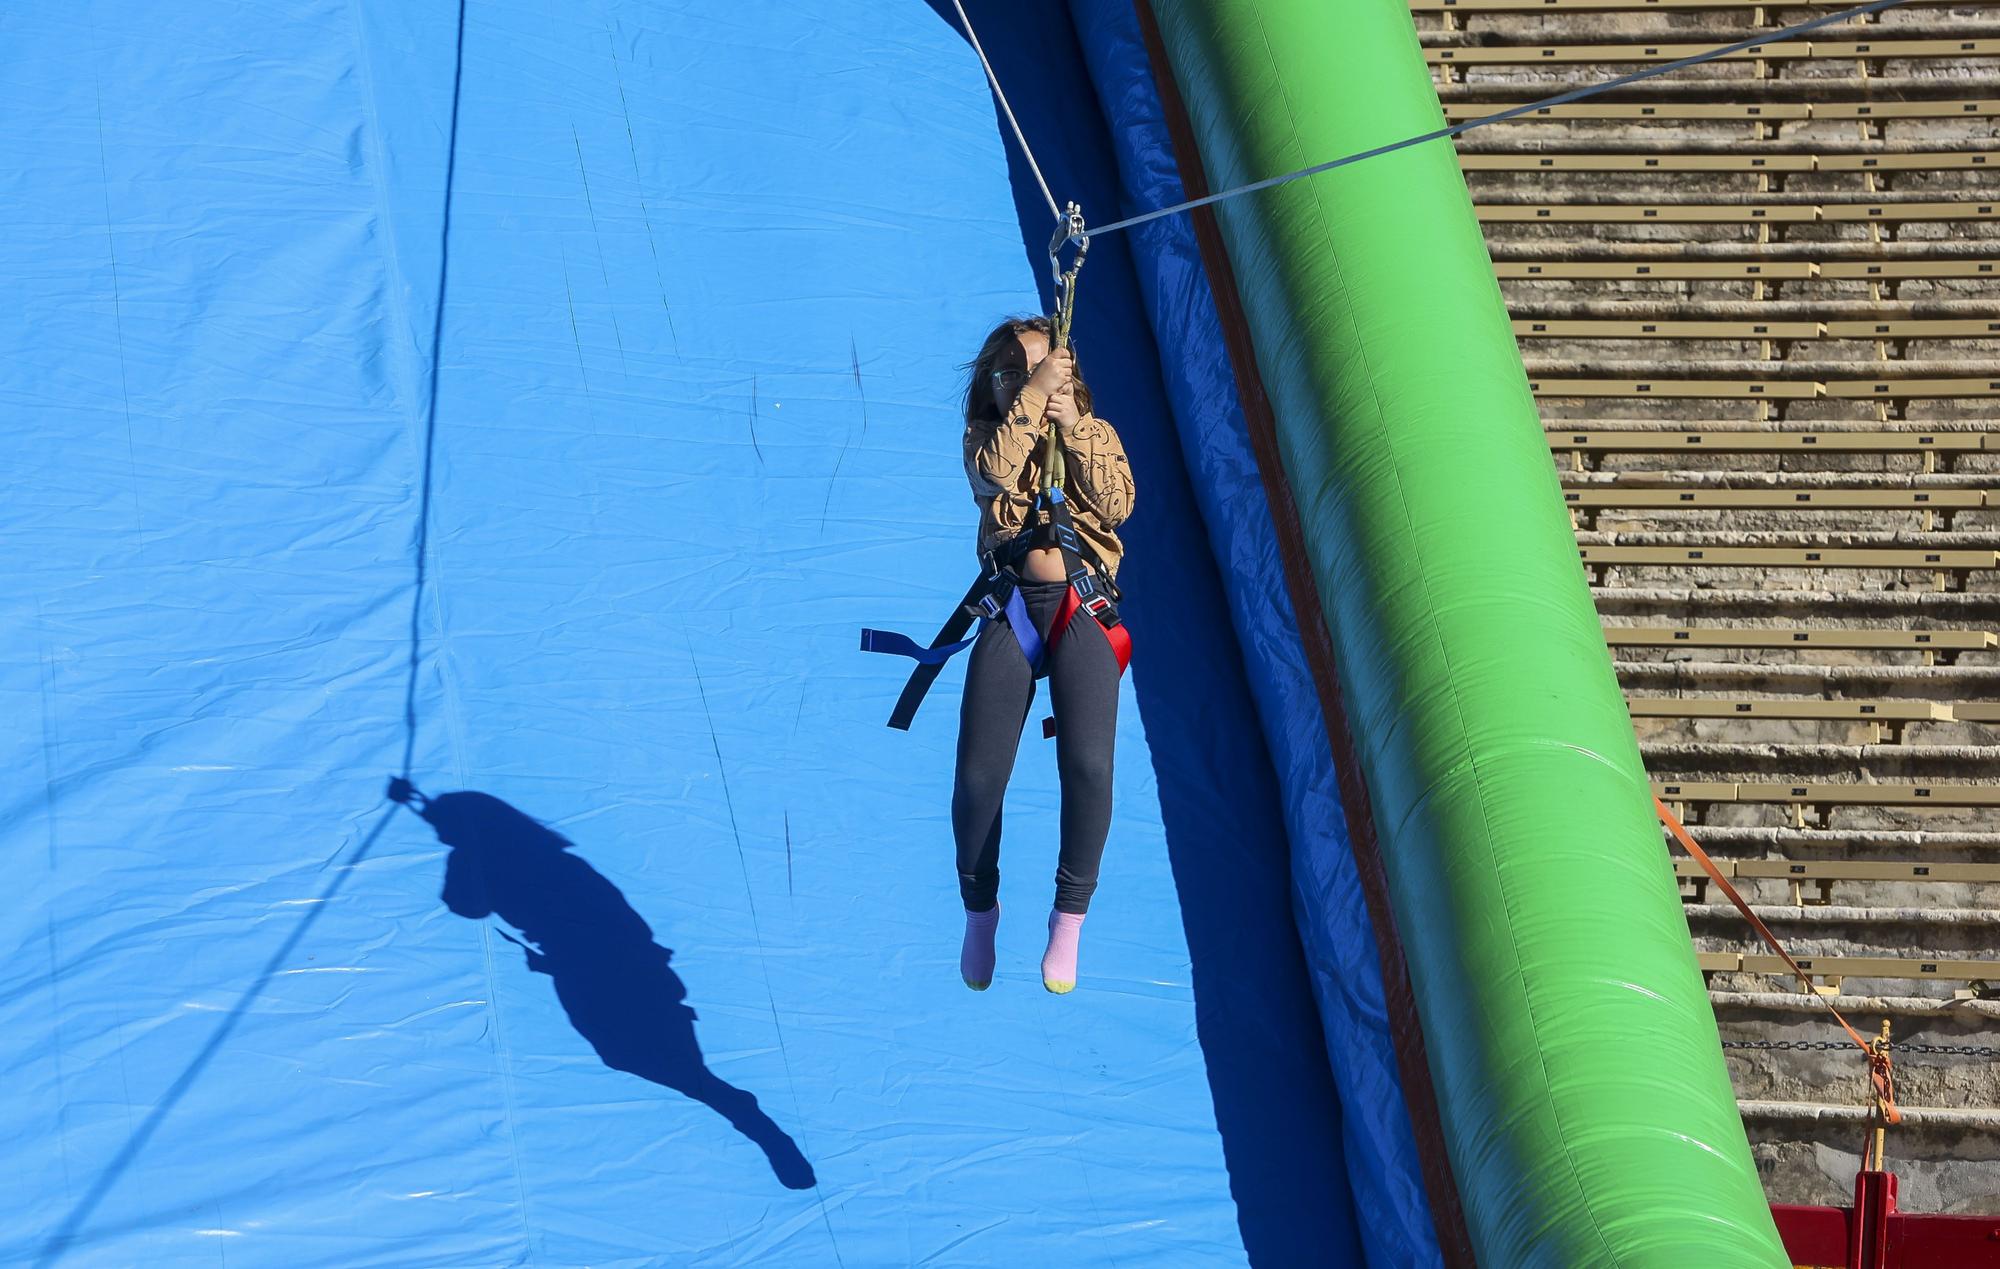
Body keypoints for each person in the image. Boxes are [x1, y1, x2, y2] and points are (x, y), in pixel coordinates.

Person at [953, 316, 1135, 994]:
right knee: (979, 777)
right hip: (1012, 604)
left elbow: (1117, 504)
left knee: (1087, 763)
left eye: (1035, 369)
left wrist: (1074, 424)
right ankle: (980, 908)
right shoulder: (985, 439)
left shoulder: (1092, 431)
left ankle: (1069, 915)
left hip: (1079, 604)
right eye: (1008, 375)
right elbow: (997, 473)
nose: (1021, 383)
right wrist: (1033, 398)